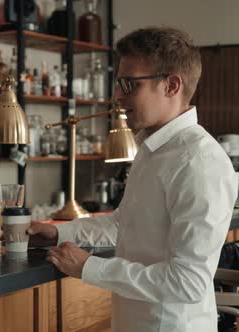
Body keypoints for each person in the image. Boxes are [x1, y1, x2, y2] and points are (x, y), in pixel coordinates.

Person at [28, 27, 238, 332]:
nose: (117, 95)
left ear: (171, 85)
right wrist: (59, 233)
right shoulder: (152, 149)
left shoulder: (199, 162)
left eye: (130, 84)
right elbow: (123, 223)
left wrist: (90, 266)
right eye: (118, 83)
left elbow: (188, 283)